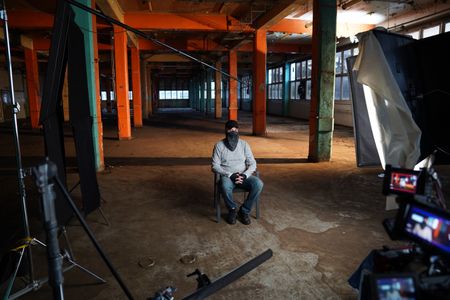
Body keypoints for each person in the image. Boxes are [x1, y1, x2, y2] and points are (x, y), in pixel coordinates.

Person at [211, 120, 264, 225]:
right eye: (230, 129)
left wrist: (245, 175)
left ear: (238, 130)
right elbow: (214, 165)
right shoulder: (219, 145)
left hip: (243, 175)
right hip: (227, 176)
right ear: (226, 130)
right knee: (225, 186)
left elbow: (252, 163)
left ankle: (244, 211)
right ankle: (232, 209)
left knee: (258, 184)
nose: (233, 131)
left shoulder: (244, 144)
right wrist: (230, 175)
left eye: (235, 129)